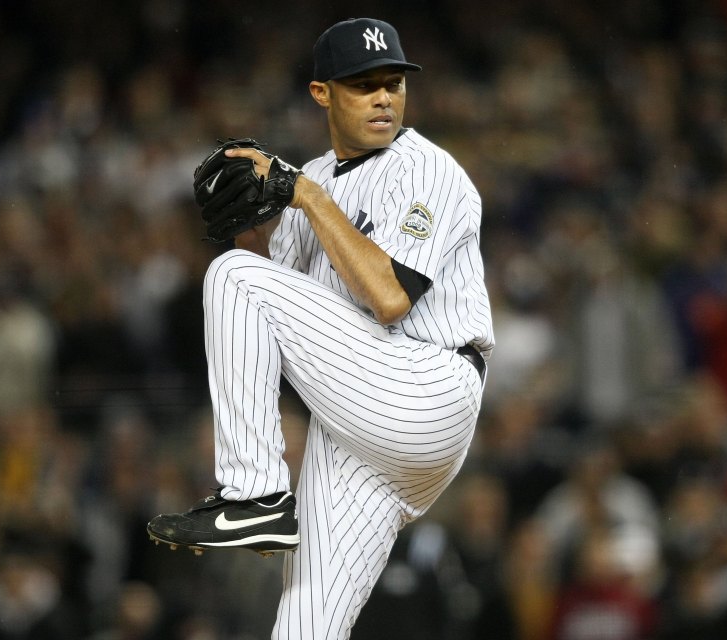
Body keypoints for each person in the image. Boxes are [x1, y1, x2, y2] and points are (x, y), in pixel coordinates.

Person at [147, 17, 494, 639]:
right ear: (322, 93)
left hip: (425, 386)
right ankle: (256, 498)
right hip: (358, 426)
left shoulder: (426, 170)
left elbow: (390, 298)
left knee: (232, 277)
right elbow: (271, 315)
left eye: (393, 82)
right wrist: (248, 222)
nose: (384, 97)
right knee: (305, 625)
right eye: (364, 85)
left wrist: (303, 196)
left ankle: (253, 495)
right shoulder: (314, 180)